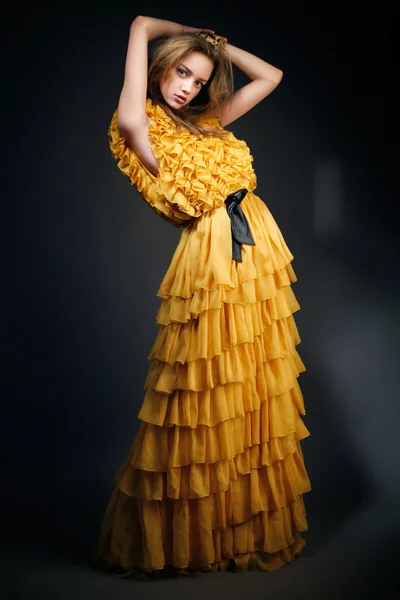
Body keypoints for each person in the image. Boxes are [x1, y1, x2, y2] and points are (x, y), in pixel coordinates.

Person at [93, 14, 312, 578]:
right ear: (161, 68)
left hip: (257, 246)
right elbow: (140, 24)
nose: (187, 87)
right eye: (181, 73)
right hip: (214, 251)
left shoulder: (207, 122)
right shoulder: (134, 123)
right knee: (200, 391)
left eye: (197, 79)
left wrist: (218, 46)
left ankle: (237, 528)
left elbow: (272, 76)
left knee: (251, 383)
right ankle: (181, 539)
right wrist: (173, 34)